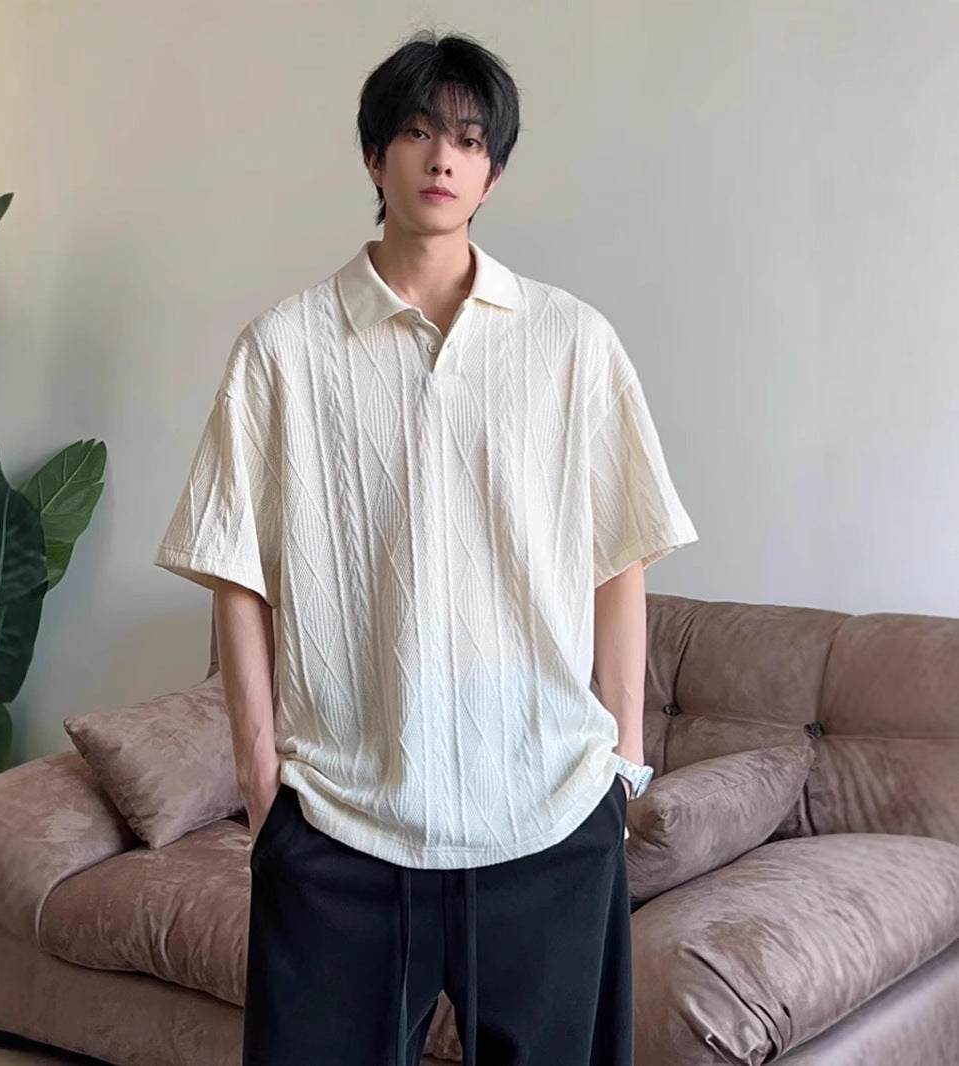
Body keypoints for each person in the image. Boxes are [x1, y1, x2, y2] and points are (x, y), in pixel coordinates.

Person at [154, 28, 698, 1066]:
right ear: (374, 157)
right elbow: (235, 569)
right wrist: (262, 782)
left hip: (547, 815)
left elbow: (620, 554)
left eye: (468, 138)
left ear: (492, 172)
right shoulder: (283, 350)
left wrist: (622, 762)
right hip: (342, 823)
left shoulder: (571, 343)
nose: (442, 157)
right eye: (415, 132)